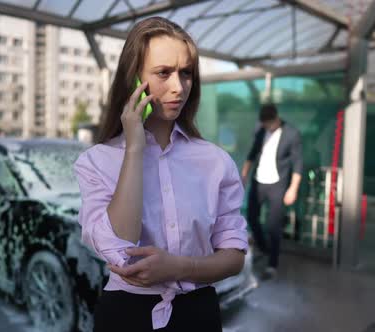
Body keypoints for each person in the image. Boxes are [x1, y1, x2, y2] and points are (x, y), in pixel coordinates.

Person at [73, 17, 248, 332]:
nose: (177, 87)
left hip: (199, 314)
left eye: (185, 73)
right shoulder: (97, 161)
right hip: (125, 316)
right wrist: (134, 149)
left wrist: (180, 267)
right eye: (163, 73)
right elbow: (119, 247)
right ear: (133, 81)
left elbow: (234, 257)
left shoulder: (215, 161)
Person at [240, 104, 302, 280]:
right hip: (258, 181)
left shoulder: (291, 134)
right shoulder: (261, 131)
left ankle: (272, 264)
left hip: (278, 184)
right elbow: (252, 154)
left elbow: (298, 163)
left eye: (268, 124)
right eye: (264, 124)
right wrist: (243, 176)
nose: (266, 127)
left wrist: (293, 188)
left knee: (274, 226)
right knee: (251, 217)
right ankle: (264, 247)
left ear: (276, 119)